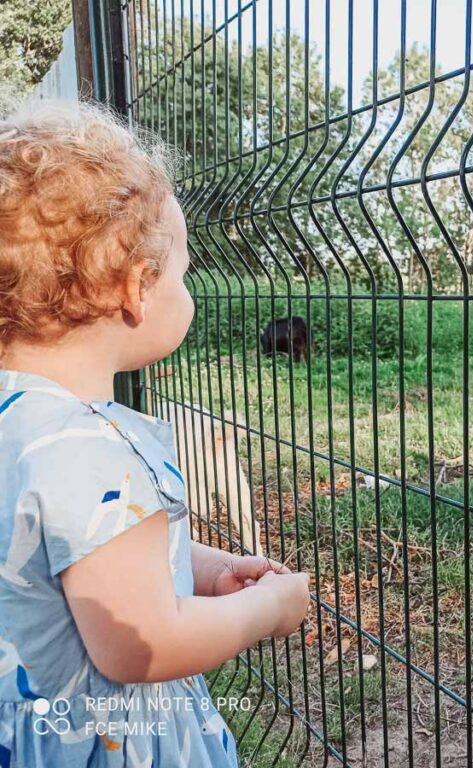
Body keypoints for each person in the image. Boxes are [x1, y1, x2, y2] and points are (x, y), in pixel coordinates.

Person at [0, 100, 311, 766]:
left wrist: (206, 567)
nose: (187, 290)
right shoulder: (87, 450)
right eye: (184, 273)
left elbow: (69, 557)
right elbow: (143, 640)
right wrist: (269, 611)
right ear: (137, 290)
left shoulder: (19, 422)